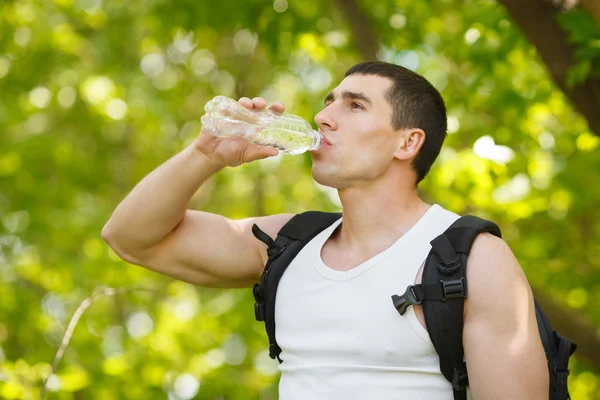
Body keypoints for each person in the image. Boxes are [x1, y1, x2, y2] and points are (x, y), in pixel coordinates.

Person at [102, 61, 548, 399]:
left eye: (354, 105)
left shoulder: (471, 259)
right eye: (328, 102)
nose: (324, 117)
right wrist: (206, 153)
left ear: (407, 142)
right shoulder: (287, 245)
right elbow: (131, 237)